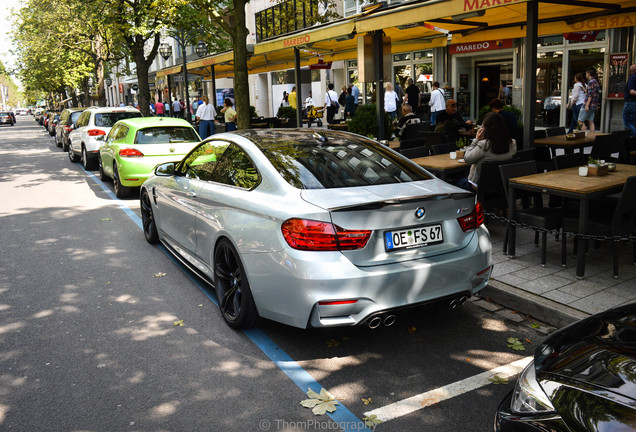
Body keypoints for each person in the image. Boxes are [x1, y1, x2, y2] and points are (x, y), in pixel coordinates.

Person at [456, 112, 517, 193]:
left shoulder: (483, 145)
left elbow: (467, 159)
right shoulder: (512, 143)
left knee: (453, 182)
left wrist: (476, 140)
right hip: (501, 185)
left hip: (479, 186)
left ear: (487, 129)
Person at [579, 67, 600, 132]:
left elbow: (590, 95)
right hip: (594, 105)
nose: (586, 75)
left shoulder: (591, 82)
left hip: (588, 105)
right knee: (590, 121)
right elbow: (593, 93)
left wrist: (587, 105)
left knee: (580, 121)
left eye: (586, 73)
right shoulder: (596, 82)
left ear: (588, 74)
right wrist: (586, 91)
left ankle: (584, 135)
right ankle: (592, 136)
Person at [622, 63, 636, 138]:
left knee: (627, 123)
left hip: (630, 102)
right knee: (632, 122)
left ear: (630, 71)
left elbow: (632, 91)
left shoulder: (632, 78)